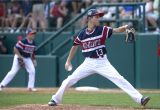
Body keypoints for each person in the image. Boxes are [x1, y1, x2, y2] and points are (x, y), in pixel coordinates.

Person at [48, 9, 150, 107]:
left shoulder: (102, 30)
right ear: (90, 18)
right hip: (88, 63)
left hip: (102, 62)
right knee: (68, 80)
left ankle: (140, 99)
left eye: (98, 17)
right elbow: (74, 46)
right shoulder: (82, 34)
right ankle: (55, 99)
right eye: (96, 17)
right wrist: (68, 61)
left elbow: (116, 30)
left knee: (119, 79)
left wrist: (124, 27)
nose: (98, 19)